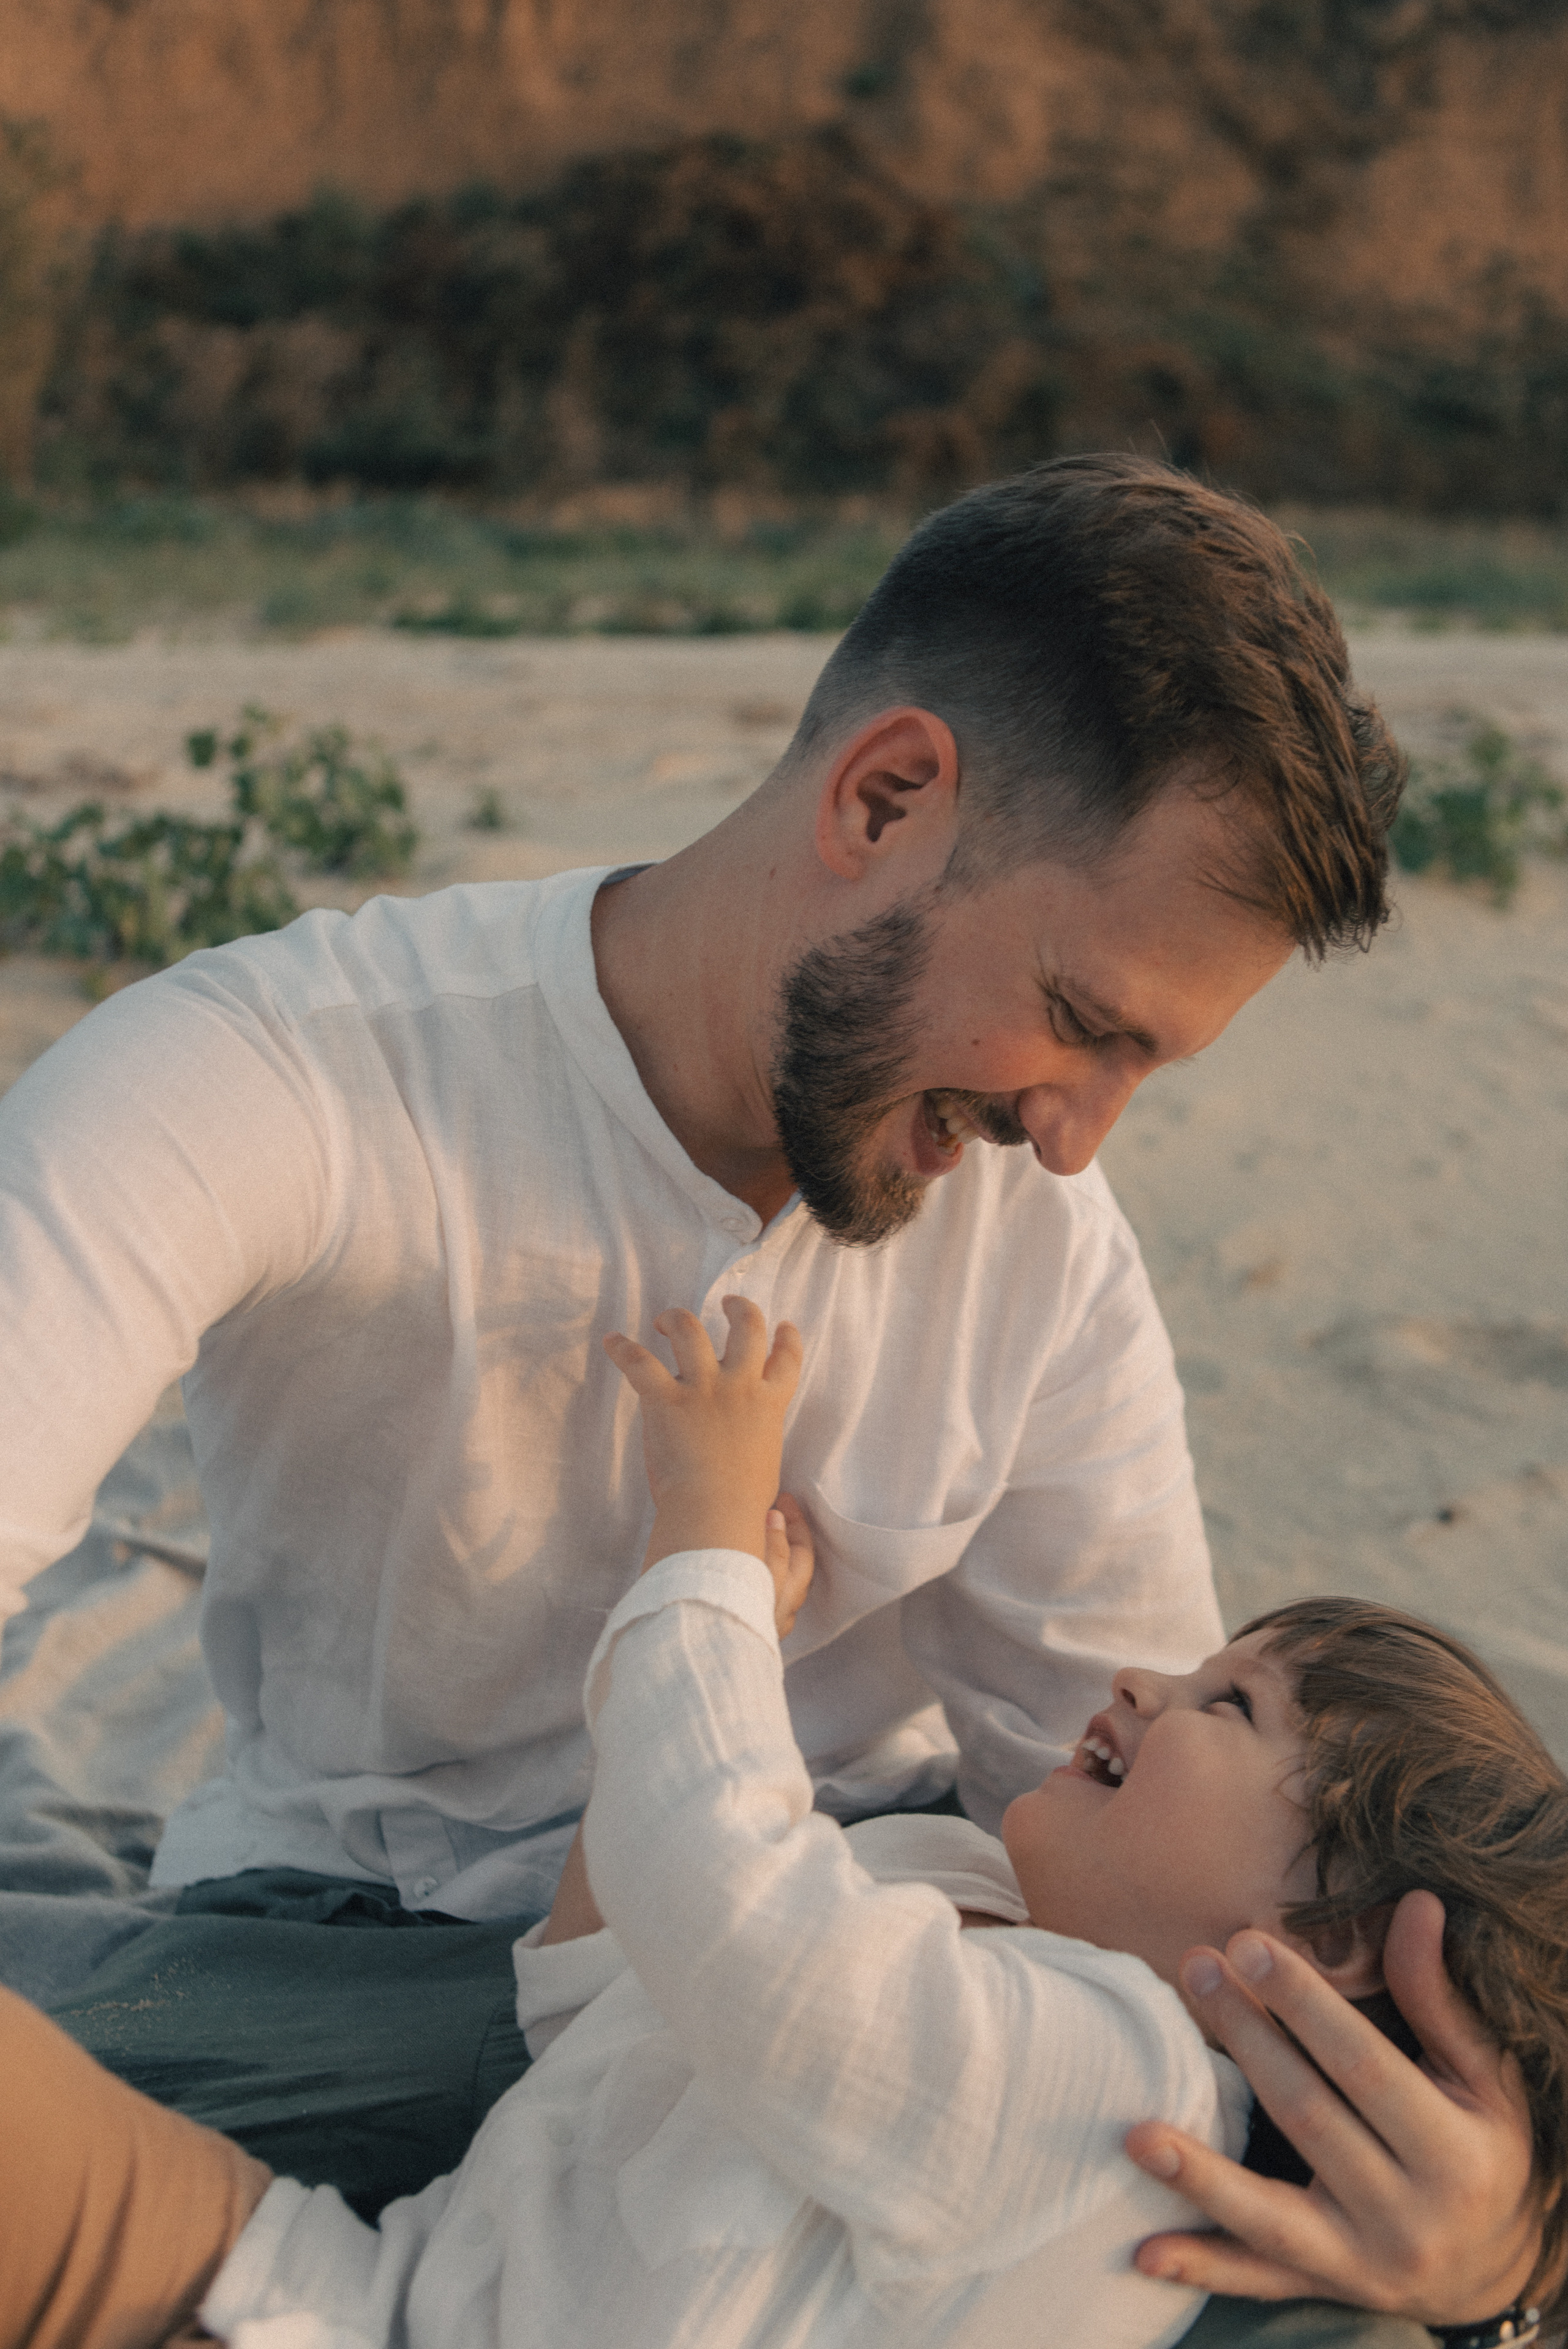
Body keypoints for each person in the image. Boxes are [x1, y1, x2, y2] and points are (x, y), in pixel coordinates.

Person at [0, 454, 1535, 2329]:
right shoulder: (280, 1080)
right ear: (885, 798)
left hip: (879, 1983)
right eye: (1085, 1023)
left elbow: (1152, 1837)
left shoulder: (1045, 1250)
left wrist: (1504, 2247)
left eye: (1146, 1069)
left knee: (1329, 2279)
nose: (1076, 1140)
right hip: (363, 1966)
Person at [1, 1299, 1559, 2349]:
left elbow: (735, 1905)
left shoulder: (1119, 2083)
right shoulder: (950, 1875)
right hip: (347, 2291)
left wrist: (705, 1548)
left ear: (1327, 1938)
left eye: (1229, 1707)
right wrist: (688, 1663)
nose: (1147, 1679)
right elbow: (597, 1998)